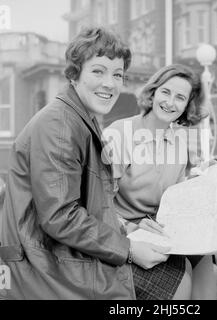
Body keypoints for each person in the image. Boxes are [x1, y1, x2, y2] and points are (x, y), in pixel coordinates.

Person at [0, 27, 169, 300]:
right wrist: (128, 249)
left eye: (118, 75)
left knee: (182, 266)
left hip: (59, 253)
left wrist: (126, 226)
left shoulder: (79, 118)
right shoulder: (60, 126)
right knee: (175, 275)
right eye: (98, 71)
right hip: (43, 267)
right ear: (74, 74)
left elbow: (85, 202)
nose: (110, 84)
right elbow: (60, 216)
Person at [102, 64, 217, 300]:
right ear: (153, 93)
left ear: (187, 105)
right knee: (182, 278)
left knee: (209, 267)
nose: (170, 102)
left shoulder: (179, 142)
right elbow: (96, 203)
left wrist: (201, 181)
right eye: (165, 92)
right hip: (119, 232)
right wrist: (131, 227)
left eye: (180, 97)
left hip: (157, 227)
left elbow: (173, 197)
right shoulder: (120, 134)